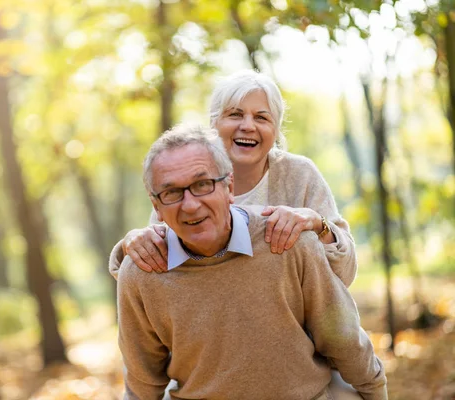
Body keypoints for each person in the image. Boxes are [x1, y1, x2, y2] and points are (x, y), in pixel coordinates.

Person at [115, 124, 387, 399]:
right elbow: (142, 382)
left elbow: (342, 338)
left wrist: (374, 390)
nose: (190, 205)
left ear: (229, 186)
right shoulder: (142, 273)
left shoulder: (288, 242)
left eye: (202, 184)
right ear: (156, 206)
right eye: (172, 193)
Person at [110, 70, 355, 289]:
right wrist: (131, 244)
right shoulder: (183, 179)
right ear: (214, 124)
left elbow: (345, 274)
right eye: (235, 114)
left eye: (261, 117)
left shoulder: (299, 174)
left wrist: (318, 224)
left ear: (276, 130)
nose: (248, 126)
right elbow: (156, 270)